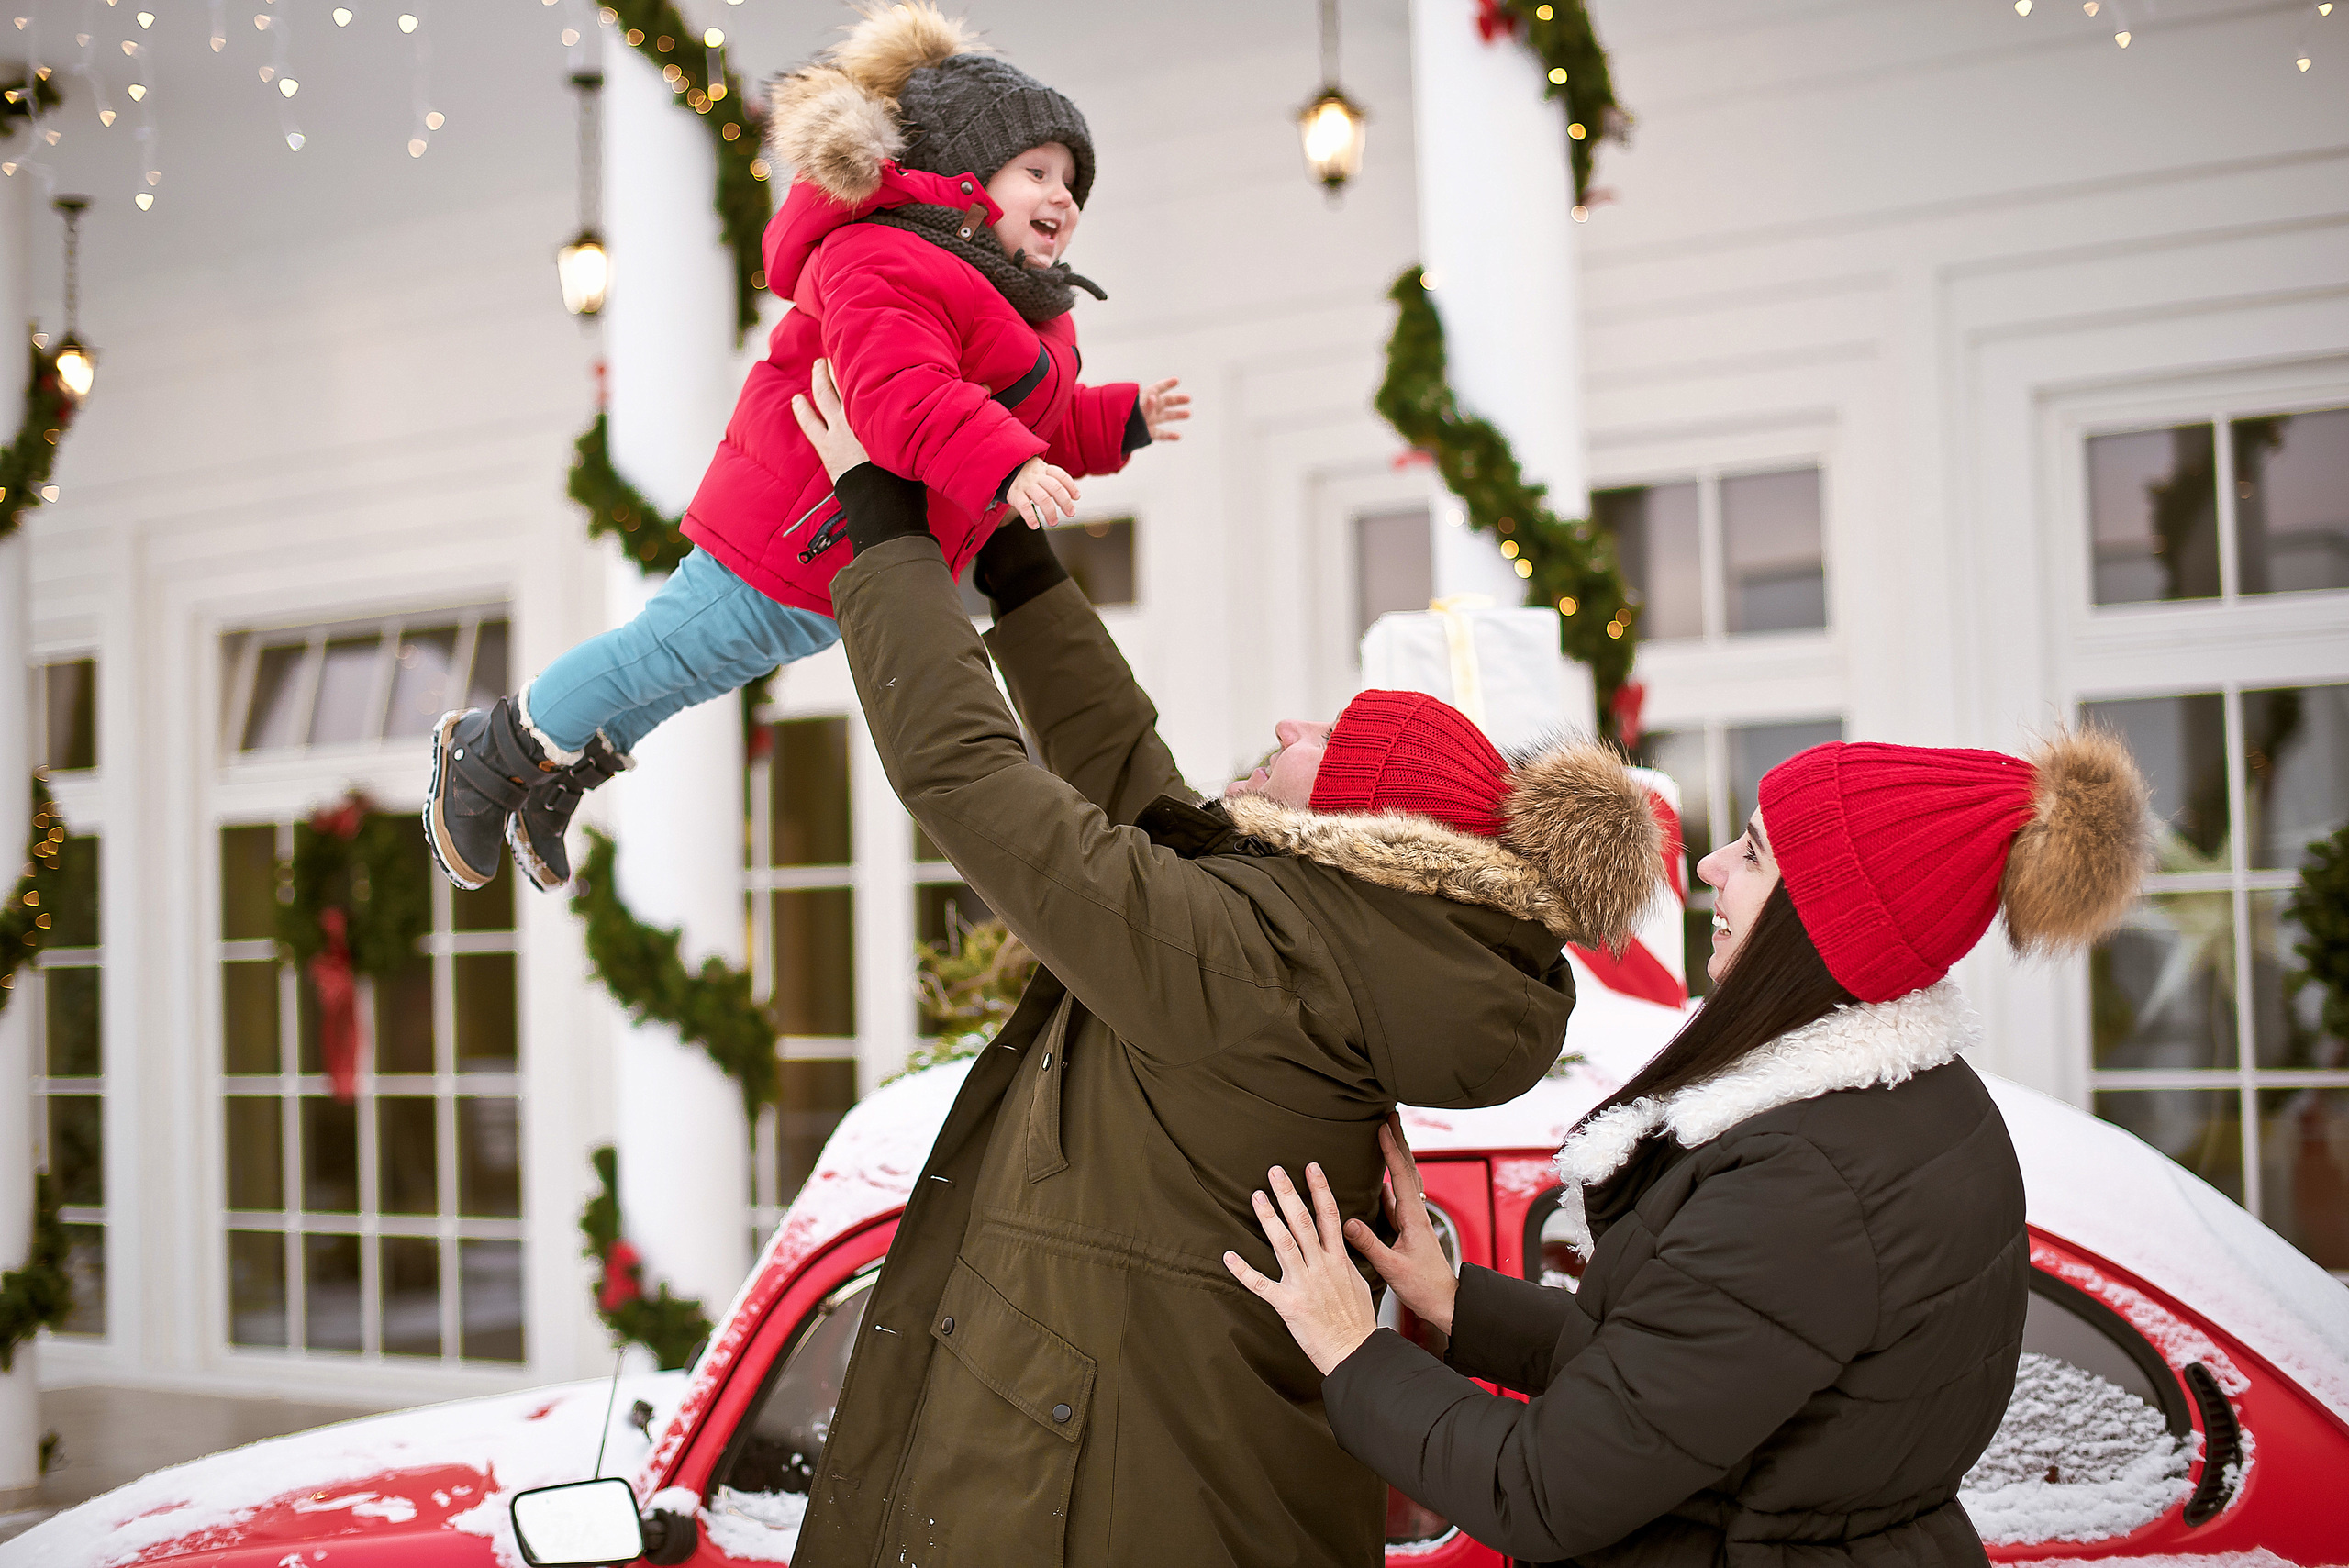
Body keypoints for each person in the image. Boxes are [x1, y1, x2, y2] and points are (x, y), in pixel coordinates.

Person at [780, 362, 1664, 1567]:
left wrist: (880, 533)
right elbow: (1130, 776)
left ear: (1354, 838)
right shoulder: (1309, 954)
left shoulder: (1250, 969)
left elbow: (976, 782)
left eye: (1331, 740)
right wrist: (1007, 557)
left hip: (1104, 1519)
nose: (1293, 726)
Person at [1230, 731, 2154, 1564]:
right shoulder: (1917, 1111)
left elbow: (1543, 1488)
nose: (1710, 862)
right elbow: (1689, 1371)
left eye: (1750, 853)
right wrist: (1454, 1302)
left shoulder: (1804, 1190)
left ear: (1821, 922)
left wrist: (1354, 1350)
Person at [422, 1, 1187, 893]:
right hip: (787, 522)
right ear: (968, 177)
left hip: (838, 562)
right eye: (1037, 170)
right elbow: (898, 393)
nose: (1062, 196)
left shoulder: (1029, 312)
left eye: (1072, 182)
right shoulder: (885, 256)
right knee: (663, 651)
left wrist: (1116, 419)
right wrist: (1006, 463)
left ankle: (560, 768)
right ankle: (490, 749)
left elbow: (1043, 418)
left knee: (694, 675)